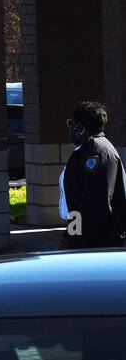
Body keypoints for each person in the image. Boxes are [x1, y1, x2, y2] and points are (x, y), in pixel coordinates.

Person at [59, 101, 126, 249]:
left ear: (80, 128)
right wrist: (70, 233)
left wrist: (73, 239)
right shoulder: (89, 149)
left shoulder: (96, 152)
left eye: (71, 123)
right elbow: (78, 203)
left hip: (99, 240)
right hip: (90, 236)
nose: (69, 128)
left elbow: (95, 203)